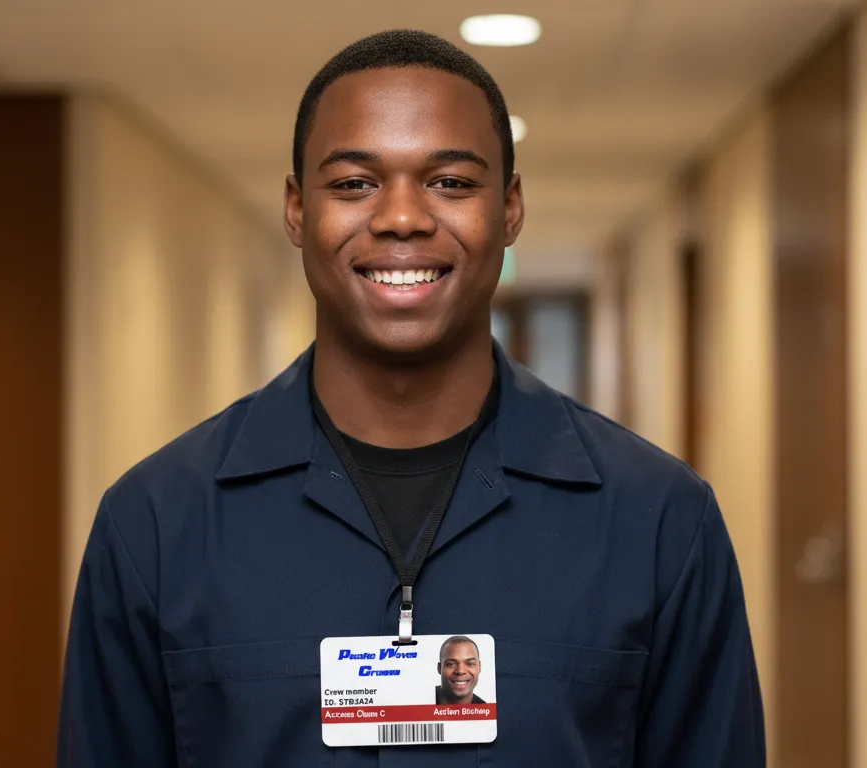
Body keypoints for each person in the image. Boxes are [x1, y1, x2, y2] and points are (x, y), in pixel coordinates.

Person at [58, 29, 765, 767]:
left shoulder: (658, 521)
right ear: (298, 211)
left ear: (511, 206)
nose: (402, 217)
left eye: (451, 182)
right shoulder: (156, 525)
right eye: (355, 183)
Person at [435, 636, 486, 705]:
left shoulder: (486, 710)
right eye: (451, 664)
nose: (460, 671)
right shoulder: (421, 700)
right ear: (439, 668)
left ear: (479, 667)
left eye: (470, 664)